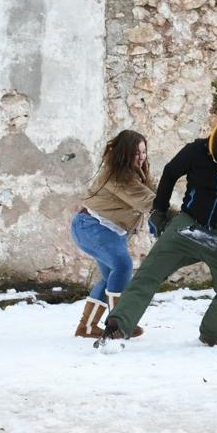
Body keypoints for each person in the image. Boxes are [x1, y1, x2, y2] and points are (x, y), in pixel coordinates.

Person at [96, 118, 217, 349]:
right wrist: (159, 209)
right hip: (187, 225)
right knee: (148, 274)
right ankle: (118, 327)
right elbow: (170, 173)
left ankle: (214, 334)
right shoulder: (197, 150)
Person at [70, 130, 155, 338]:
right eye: (136, 153)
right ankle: (119, 323)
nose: (141, 156)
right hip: (92, 226)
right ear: (125, 153)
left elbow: (151, 193)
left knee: (111, 277)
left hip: (110, 230)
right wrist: (176, 213)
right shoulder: (117, 176)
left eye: (143, 151)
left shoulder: (136, 171)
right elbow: (148, 201)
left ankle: (87, 327)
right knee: (122, 265)